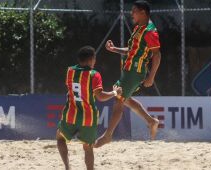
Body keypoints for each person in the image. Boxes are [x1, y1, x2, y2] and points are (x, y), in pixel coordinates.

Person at [95, 0, 161, 148]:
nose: (131, 13)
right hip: (129, 70)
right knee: (125, 99)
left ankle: (108, 135)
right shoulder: (140, 28)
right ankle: (151, 121)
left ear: (143, 12)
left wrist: (151, 77)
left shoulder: (150, 31)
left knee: (119, 99)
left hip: (135, 72)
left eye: (134, 11)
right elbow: (132, 50)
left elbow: (157, 55)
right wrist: (115, 49)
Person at [56, 46, 122, 170]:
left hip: (71, 114)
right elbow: (100, 97)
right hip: (88, 118)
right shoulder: (94, 75)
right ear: (91, 59)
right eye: (94, 59)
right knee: (88, 148)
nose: (95, 62)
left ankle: (67, 167)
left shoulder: (70, 71)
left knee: (60, 138)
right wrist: (114, 93)